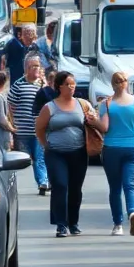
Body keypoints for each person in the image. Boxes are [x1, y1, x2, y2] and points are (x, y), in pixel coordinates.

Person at [35, 72, 97, 237]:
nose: (71, 87)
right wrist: (46, 145)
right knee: (61, 186)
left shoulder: (82, 104)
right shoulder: (50, 107)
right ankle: (61, 224)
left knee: (76, 189)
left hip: (79, 152)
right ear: (59, 86)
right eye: (68, 84)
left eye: (73, 84)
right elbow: (39, 128)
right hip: (56, 153)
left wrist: (93, 119)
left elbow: (95, 120)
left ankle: (73, 222)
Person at [97, 72, 134, 236]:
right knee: (129, 185)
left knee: (115, 188)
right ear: (126, 83)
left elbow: (105, 128)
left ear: (112, 84)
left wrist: (94, 120)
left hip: (111, 149)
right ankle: (132, 211)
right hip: (133, 148)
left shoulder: (106, 104)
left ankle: (118, 225)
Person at [9, 56, 49, 194]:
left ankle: (43, 182)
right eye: (33, 66)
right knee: (24, 160)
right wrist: (12, 124)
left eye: (38, 65)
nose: (36, 68)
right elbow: (11, 106)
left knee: (40, 158)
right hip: (22, 130)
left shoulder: (43, 85)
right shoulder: (18, 84)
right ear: (27, 68)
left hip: (38, 130)